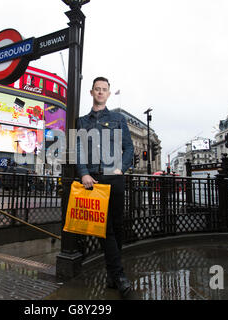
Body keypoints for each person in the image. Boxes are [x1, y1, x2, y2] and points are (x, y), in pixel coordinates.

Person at [76, 76, 134, 298]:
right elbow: (78, 150)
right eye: (97, 89)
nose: (100, 92)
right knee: (105, 228)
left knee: (117, 228)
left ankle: (111, 275)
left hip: (115, 178)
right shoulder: (81, 121)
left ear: (108, 94)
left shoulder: (118, 119)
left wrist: (122, 168)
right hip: (94, 181)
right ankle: (119, 276)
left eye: (104, 90)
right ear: (91, 93)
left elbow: (128, 148)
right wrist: (84, 173)